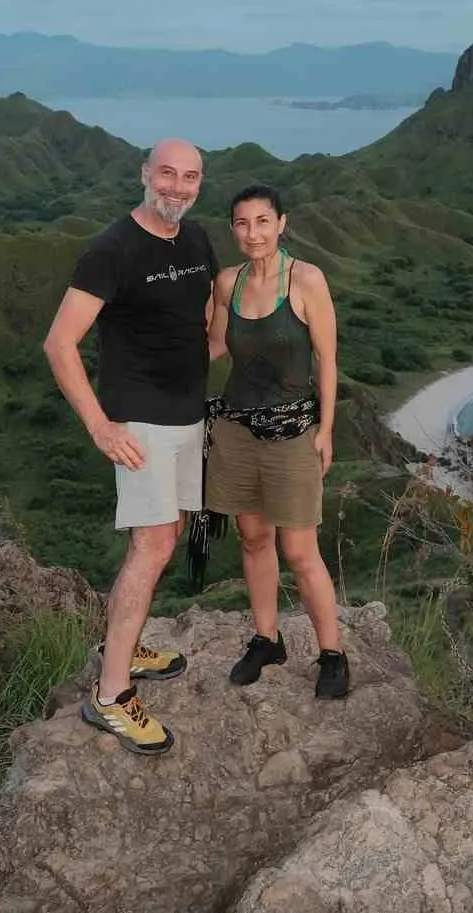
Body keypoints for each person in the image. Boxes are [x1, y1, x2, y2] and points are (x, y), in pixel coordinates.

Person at [42, 137, 220, 755]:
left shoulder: (196, 240)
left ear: (199, 183)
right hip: (141, 423)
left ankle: (125, 642)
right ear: (145, 174)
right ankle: (111, 695)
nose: (177, 186)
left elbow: (202, 321)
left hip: (187, 416)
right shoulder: (111, 250)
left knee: (165, 535)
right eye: (166, 173)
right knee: (152, 545)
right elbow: (59, 344)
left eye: (189, 176)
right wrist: (100, 426)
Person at [204, 182, 349, 699]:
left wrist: (326, 430)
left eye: (263, 221)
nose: (253, 233)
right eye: (242, 223)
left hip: (293, 432)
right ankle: (267, 639)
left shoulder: (306, 280)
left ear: (281, 224)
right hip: (236, 429)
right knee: (252, 537)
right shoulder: (228, 282)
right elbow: (215, 345)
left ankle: (332, 653)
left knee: (299, 549)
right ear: (233, 229)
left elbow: (326, 360)